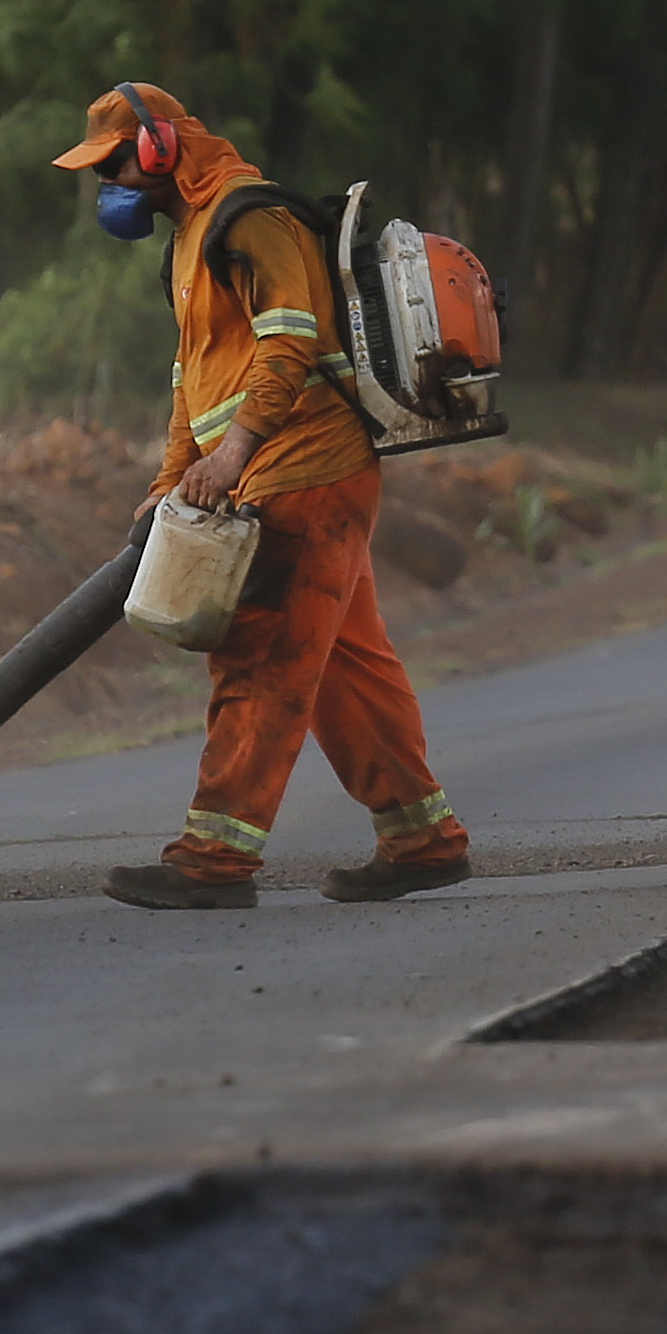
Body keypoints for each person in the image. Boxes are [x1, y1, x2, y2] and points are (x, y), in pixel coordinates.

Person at [54, 81, 471, 914]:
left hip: (305, 468)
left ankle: (213, 859)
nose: (112, 189)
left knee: (258, 656)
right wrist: (170, 481)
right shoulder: (191, 239)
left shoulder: (252, 219)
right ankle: (423, 841)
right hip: (278, 470)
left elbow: (290, 344)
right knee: (344, 665)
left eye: (116, 168)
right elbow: (192, 382)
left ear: (159, 149)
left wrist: (237, 449)